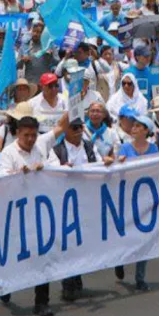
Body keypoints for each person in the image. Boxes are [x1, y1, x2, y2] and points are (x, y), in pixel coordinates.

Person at [0, 114, 62, 316]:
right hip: (16, 212)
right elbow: (1, 178)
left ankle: (42, 302)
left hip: (39, 210)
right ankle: (5, 287)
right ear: (17, 133)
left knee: (43, 255)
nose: (31, 139)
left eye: (34, 135)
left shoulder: (40, 146)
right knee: (15, 255)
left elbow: (54, 167)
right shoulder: (8, 153)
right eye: (27, 136)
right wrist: (20, 173)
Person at [52, 117, 102, 301]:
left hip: (86, 200)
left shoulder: (89, 146)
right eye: (74, 128)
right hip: (65, 203)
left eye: (80, 127)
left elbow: (99, 165)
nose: (78, 131)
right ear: (66, 130)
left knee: (82, 242)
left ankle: (77, 275)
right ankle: (67, 282)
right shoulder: (57, 151)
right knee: (68, 243)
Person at [109, 115, 159, 291]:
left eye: (139, 126)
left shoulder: (154, 149)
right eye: (134, 126)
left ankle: (140, 277)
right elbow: (117, 172)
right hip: (128, 197)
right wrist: (119, 162)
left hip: (145, 198)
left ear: (146, 130)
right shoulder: (124, 148)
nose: (134, 128)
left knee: (143, 237)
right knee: (126, 234)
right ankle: (120, 260)